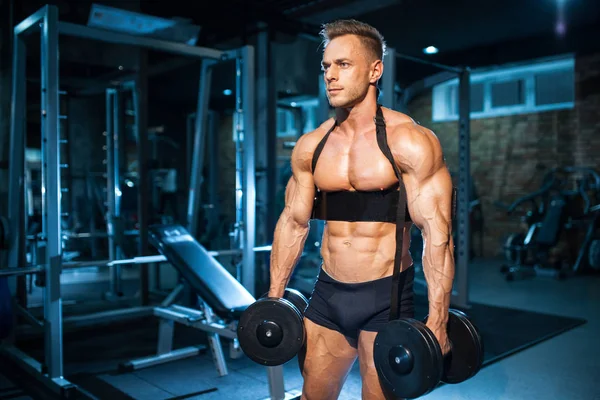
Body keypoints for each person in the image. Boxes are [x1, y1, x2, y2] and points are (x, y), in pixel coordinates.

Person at [267, 19, 455, 399]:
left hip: (385, 296)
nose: (331, 76)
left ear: (375, 70)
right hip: (328, 293)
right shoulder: (312, 145)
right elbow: (293, 223)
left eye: (343, 65)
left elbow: (438, 234)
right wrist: (274, 298)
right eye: (326, 66)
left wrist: (438, 319)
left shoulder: (409, 141)